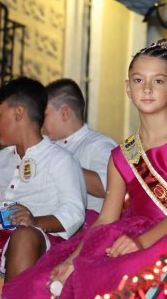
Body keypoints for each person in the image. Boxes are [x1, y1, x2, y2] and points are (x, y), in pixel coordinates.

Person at [1, 40, 167, 298]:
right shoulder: (121, 154)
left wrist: (141, 242)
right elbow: (106, 219)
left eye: (158, 81)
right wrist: (73, 260)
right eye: (138, 80)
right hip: (130, 235)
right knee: (48, 280)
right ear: (128, 88)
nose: (147, 88)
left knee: (121, 274)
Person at [0, 77, 86, 282]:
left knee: (24, 235)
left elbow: (74, 213)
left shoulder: (60, 159)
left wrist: (34, 221)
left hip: (38, 244)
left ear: (19, 113)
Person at [43, 78, 117, 220]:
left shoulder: (98, 145)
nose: (40, 121)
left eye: (44, 115)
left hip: (89, 226)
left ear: (65, 113)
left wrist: (61, 165)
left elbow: (108, 187)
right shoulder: (47, 145)